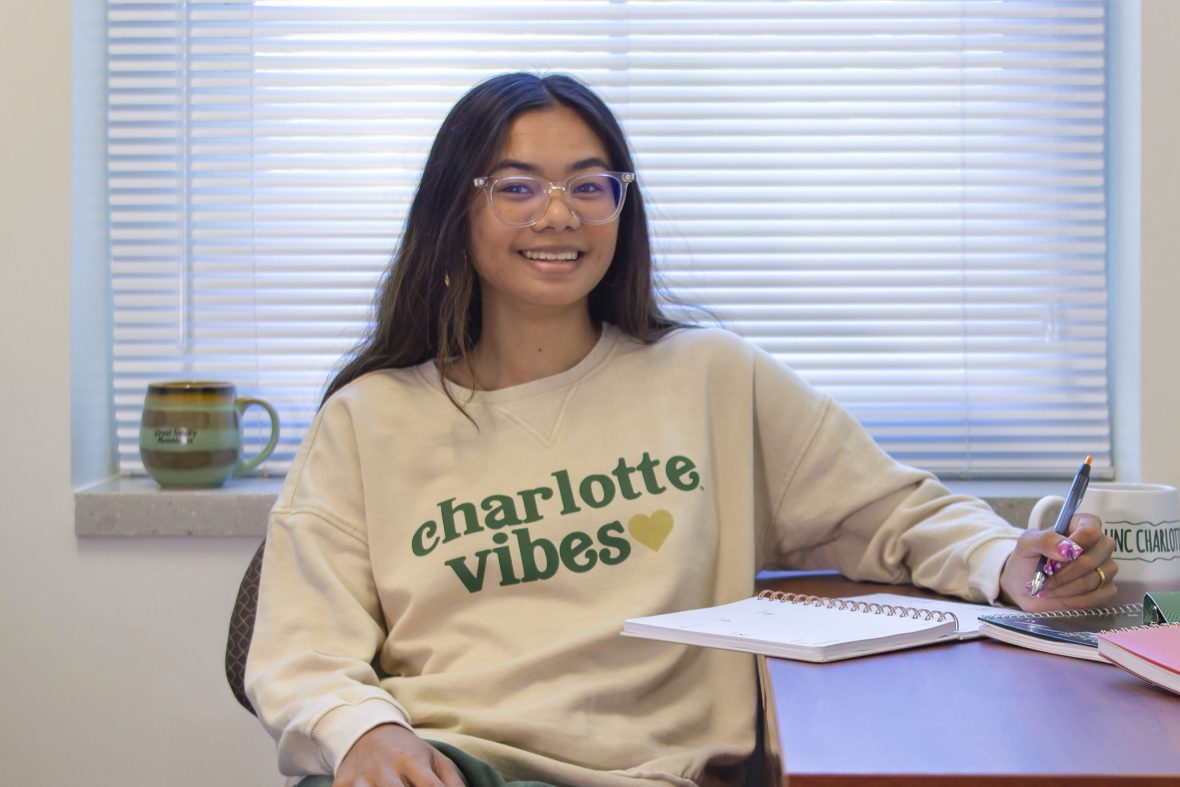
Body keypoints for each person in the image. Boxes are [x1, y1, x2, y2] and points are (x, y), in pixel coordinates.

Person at [245, 72, 1118, 787]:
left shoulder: (714, 377)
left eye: (591, 185)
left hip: (651, 771)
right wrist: (359, 732)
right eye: (517, 186)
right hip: (450, 762)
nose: (559, 214)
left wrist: (1006, 559)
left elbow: (888, 510)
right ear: (454, 209)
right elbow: (302, 646)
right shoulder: (370, 417)